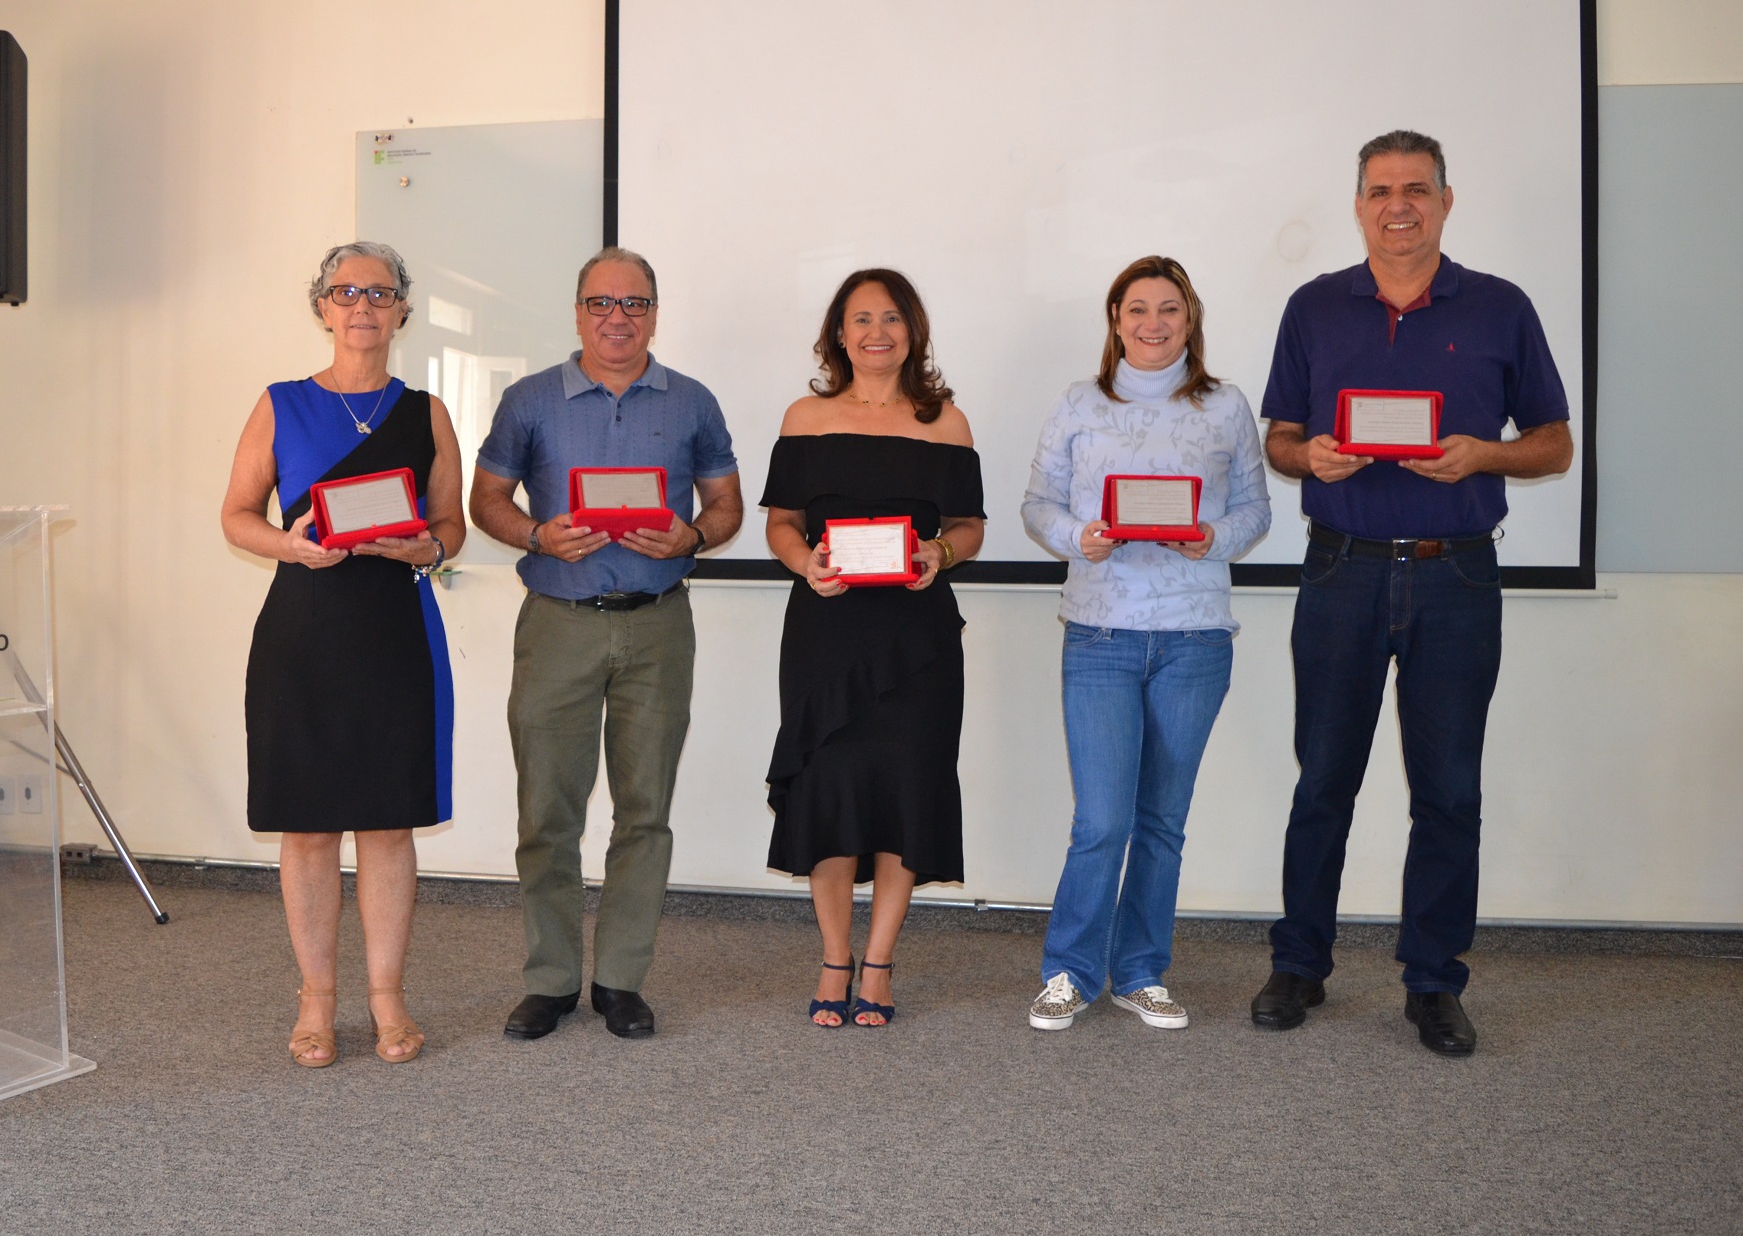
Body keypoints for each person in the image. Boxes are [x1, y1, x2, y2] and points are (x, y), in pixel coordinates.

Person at [1253, 130, 1572, 1057]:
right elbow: (1280, 436)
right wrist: (1303, 454)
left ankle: (1434, 981)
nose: (1400, 205)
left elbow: (1553, 441)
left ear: (1446, 200)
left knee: (1449, 792)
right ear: (1358, 205)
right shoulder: (1314, 307)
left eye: (1417, 189)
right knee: (1324, 780)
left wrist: (1486, 453)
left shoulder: (1502, 306)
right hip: (1340, 567)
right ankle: (1300, 964)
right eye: (1382, 190)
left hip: (1458, 572)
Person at [469, 246, 743, 1041]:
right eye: (600, 303)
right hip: (557, 622)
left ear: (655, 312)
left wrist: (693, 532)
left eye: (634, 304)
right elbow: (485, 498)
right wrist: (534, 533)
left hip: (658, 623)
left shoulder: (691, 402)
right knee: (546, 810)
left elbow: (726, 505)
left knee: (644, 811)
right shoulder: (529, 400)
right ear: (578, 310)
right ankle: (550, 979)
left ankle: (621, 979)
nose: (617, 318)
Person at [221, 240, 466, 1067]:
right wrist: (290, 548)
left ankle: (388, 998)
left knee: (389, 822)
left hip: (394, 630)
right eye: (344, 290)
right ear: (322, 306)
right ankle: (316, 1000)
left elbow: (451, 528)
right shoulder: (281, 402)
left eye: (379, 292)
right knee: (311, 825)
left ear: (402, 309)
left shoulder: (426, 411)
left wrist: (420, 551)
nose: (362, 304)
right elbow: (236, 516)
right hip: (304, 628)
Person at [1019, 255, 1271, 1033]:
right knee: (1101, 819)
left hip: (1195, 636)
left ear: (1190, 318)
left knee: (1162, 819)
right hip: (1100, 633)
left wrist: (1211, 537)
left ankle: (1139, 971)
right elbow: (1038, 504)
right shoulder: (1078, 403)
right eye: (1137, 309)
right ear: (1115, 319)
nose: (1153, 323)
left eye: (1169, 309)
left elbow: (1256, 512)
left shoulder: (1226, 407)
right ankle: (1069, 968)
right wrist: (1076, 536)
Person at [761, 269, 985, 1028]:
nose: (876, 333)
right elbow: (782, 523)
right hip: (825, 631)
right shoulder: (805, 417)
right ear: (839, 334)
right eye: (860, 319)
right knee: (828, 790)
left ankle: (880, 959)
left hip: (916, 640)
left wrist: (940, 557)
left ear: (912, 330)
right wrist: (803, 562)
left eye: (891, 318)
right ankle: (833, 953)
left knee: (906, 790)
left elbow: (968, 528)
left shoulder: (946, 422)